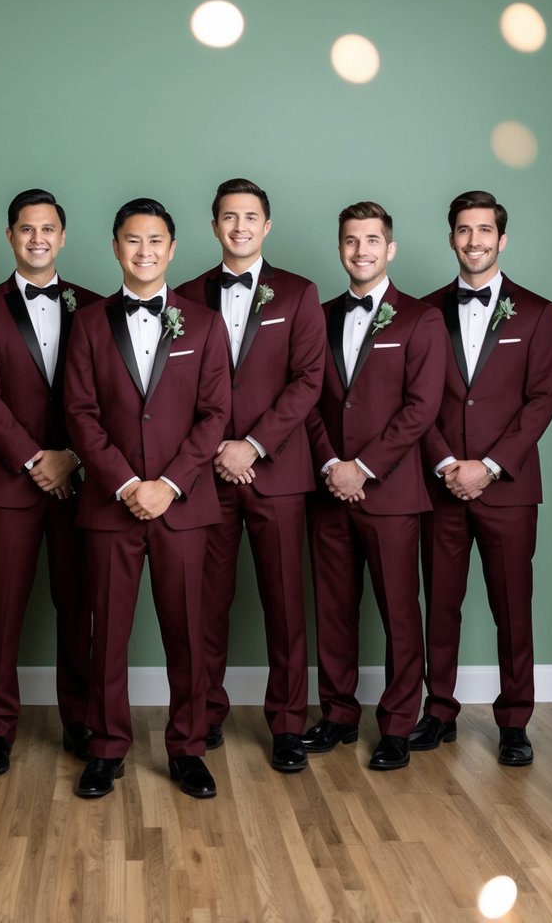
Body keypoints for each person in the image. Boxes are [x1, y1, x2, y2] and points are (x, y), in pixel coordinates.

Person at [64, 198, 230, 799]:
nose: (144, 251)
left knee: (188, 631)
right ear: (115, 248)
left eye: (155, 240)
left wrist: (171, 484)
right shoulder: (86, 323)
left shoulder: (204, 324)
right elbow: (79, 415)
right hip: (113, 504)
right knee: (106, 633)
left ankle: (187, 747)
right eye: (132, 241)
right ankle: (107, 748)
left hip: (183, 505)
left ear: (173, 248)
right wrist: (129, 484)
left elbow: (215, 415)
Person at [176, 178, 324, 772]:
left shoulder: (299, 293)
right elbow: (177, 388)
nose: (240, 226)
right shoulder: (184, 294)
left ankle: (288, 725)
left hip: (278, 472)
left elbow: (308, 381)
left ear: (267, 226)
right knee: (204, 602)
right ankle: (205, 712)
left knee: (285, 604)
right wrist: (214, 449)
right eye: (229, 217)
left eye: (251, 217)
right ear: (214, 226)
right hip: (205, 474)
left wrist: (255, 445)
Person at [412, 190, 552, 767]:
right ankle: (440, 710)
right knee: (440, 603)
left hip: (509, 490)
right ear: (451, 237)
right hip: (439, 485)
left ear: (502, 239)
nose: (474, 241)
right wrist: (448, 464)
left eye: (485, 231)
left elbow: (543, 398)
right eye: (464, 230)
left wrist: (491, 466)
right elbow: (416, 401)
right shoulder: (424, 313)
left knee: (511, 605)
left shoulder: (539, 312)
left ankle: (515, 719)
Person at [304, 201, 446, 770]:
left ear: (390, 249)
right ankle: (338, 714)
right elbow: (307, 398)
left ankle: (396, 724)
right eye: (350, 240)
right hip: (328, 489)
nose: (360, 250)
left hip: (388, 492)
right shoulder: (317, 314)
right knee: (333, 609)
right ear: (340, 248)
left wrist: (361, 468)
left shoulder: (419, 318)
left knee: (398, 612)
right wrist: (330, 465)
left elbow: (420, 408)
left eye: (371, 240)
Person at [0, 188, 99, 776]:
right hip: (9, 483)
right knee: (2, 607)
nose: (37, 238)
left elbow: (105, 399)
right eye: (26, 229)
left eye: (48, 229)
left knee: (79, 604)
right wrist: (34, 460)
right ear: (11, 236)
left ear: (63, 237)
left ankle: (80, 720)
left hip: (80, 481)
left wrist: (70, 457)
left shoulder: (94, 307)